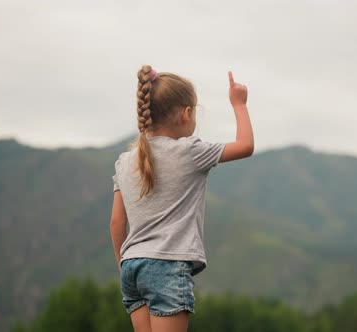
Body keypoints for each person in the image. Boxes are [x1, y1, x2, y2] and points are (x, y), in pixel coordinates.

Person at [109, 65, 254, 332]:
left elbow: (117, 223)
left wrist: (124, 264)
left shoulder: (124, 162)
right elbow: (245, 146)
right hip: (167, 266)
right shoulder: (190, 151)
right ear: (187, 114)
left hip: (131, 267)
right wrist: (239, 103)